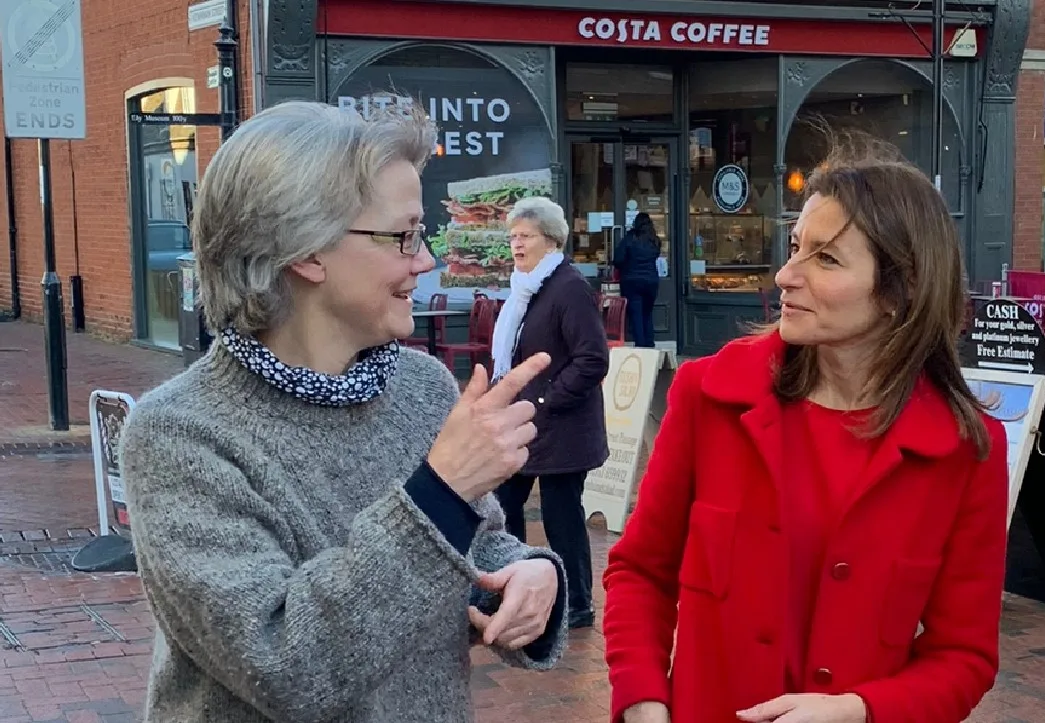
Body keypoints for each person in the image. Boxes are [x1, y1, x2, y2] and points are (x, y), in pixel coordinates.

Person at [118, 100, 569, 723]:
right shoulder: (181, 433)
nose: (427, 259)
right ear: (306, 251)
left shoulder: (421, 387)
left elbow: (477, 545)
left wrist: (526, 577)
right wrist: (440, 491)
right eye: (403, 235)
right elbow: (284, 667)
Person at [602, 135, 1008, 723]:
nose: (786, 275)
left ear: (902, 289)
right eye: (796, 248)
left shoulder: (964, 450)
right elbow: (641, 570)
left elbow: (964, 656)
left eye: (827, 259)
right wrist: (643, 698)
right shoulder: (710, 398)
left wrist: (862, 710)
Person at [490, 196, 609, 630]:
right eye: (512, 237)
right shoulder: (527, 287)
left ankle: (577, 603)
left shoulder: (568, 286)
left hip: (561, 428)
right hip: (526, 425)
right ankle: (515, 585)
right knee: (503, 504)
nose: (515, 246)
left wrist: (545, 401)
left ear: (551, 240)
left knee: (562, 517)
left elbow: (592, 359)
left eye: (524, 237)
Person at [613, 212, 661, 348]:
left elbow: (618, 259)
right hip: (651, 281)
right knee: (647, 313)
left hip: (632, 281)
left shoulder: (630, 238)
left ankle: (641, 348)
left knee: (636, 315)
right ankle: (650, 344)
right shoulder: (655, 240)